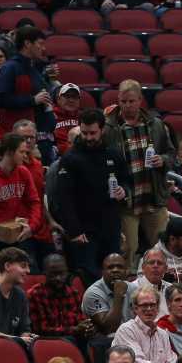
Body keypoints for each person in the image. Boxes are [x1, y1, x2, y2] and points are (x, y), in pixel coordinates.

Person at [103, 79, 174, 270]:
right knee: (128, 249)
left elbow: (171, 153)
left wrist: (163, 160)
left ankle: (160, 291)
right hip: (127, 201)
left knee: (161, 250)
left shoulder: (156, 125)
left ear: (140, 100)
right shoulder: (109, 128)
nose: (127, 106)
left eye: (131, 101)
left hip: (153, 197)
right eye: (123, 101)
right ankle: (124, 291)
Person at [54, 109, 128, 281]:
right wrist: (74, 230)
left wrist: (124, 191)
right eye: (84, 133)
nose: (88, 137)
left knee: (115, 274)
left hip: (110, 227)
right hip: (84, 231)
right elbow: (63, 198)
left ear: (102, 130)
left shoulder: (113, 153)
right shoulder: (70, 159)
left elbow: (126, 180)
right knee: (88, 276)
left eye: (92, 133)